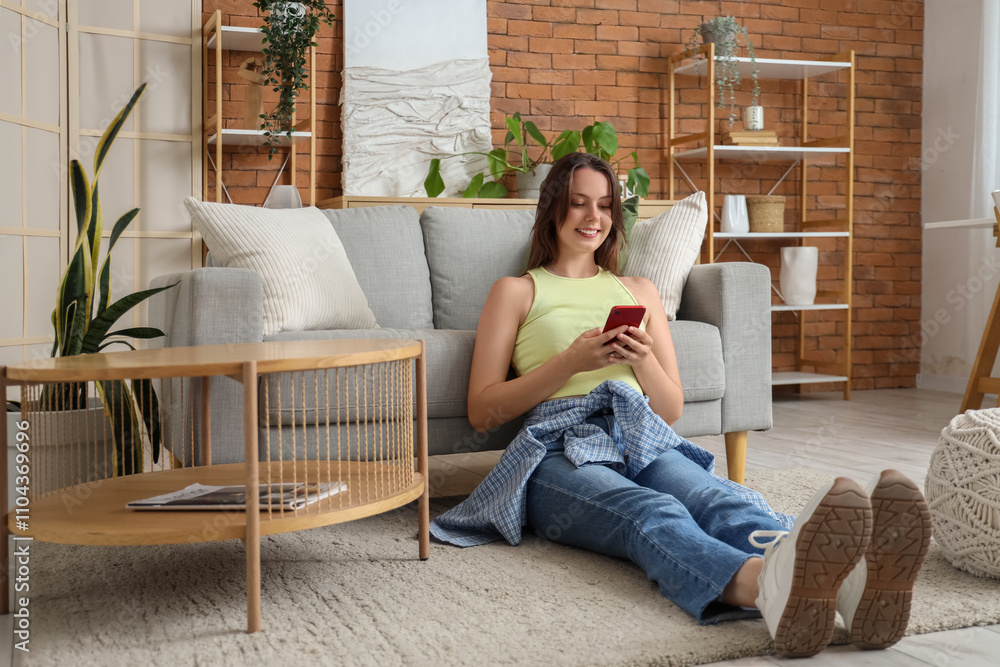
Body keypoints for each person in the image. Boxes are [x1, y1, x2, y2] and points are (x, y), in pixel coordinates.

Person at [430, 152, 931, 658]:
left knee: (714, 498)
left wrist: (644, 362)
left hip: (639, 433)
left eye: (605, 206)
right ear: (552, 208)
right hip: (557, 451)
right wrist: (572, 362)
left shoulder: (638, 291)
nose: (593, 217)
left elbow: (669, 410)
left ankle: (849, 584)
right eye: (578, 203)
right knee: (651, 510)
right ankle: (763, 586)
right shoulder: (516, 291)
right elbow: (482, 410)